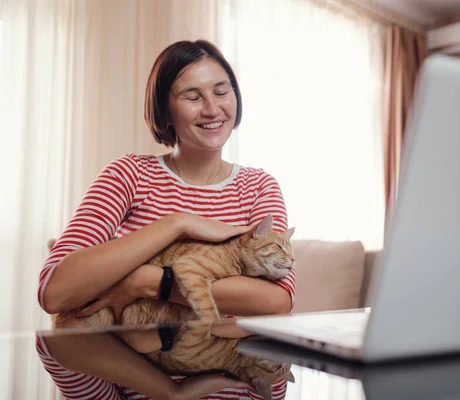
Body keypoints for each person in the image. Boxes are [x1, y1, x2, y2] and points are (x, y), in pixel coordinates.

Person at [36, 39, 296, 400]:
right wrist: (177, 223)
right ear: (164, 110)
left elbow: (277, 301)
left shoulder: (258, 187)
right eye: (192, 96)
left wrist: (148, 281)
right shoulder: (127, 175)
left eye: (222, 92)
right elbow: (55, 290)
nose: (212, 109)